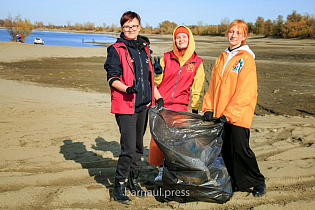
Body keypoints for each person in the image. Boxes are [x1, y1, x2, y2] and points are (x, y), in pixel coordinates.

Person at [104, 11, 163, 204]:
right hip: (125, 106)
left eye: (134, 26)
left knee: (138, 147)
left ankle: (133, 182)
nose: (131, 29)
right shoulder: (116, 49)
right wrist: (128, 88)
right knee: (128, 148)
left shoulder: (144, 48)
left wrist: (157, 96)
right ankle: (118, 186)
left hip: (143, 105)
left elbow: (149, 78)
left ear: (139, 27)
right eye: (127, 26)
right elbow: (112, 78)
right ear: (122, 28)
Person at [202, 19, 266, 197]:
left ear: (243, 36)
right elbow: (213, 86)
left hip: (238, 114)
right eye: (231, 32)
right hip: (221, 113)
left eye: (238, 33)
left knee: (240, 149)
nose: (233, 35)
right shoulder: (221, 58)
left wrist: (229, 114)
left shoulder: (246, 59)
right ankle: (237, 183)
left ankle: (258, 181)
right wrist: (208, 108)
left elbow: (245, 91)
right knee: (226, 151)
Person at [147, 25, 205, 181]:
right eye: (178, 37)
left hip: (180, 107)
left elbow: (197, 87)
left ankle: (172, 170)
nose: (181, 40)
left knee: (176, 142)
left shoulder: (197, 62)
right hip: (162, 104)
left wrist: (195, 108)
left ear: (189, 39)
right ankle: (160, 170)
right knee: (159, 139)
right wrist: (157, 73)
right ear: (174, 40)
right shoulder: (166, 57)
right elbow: (156, 82)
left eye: (184, 37)